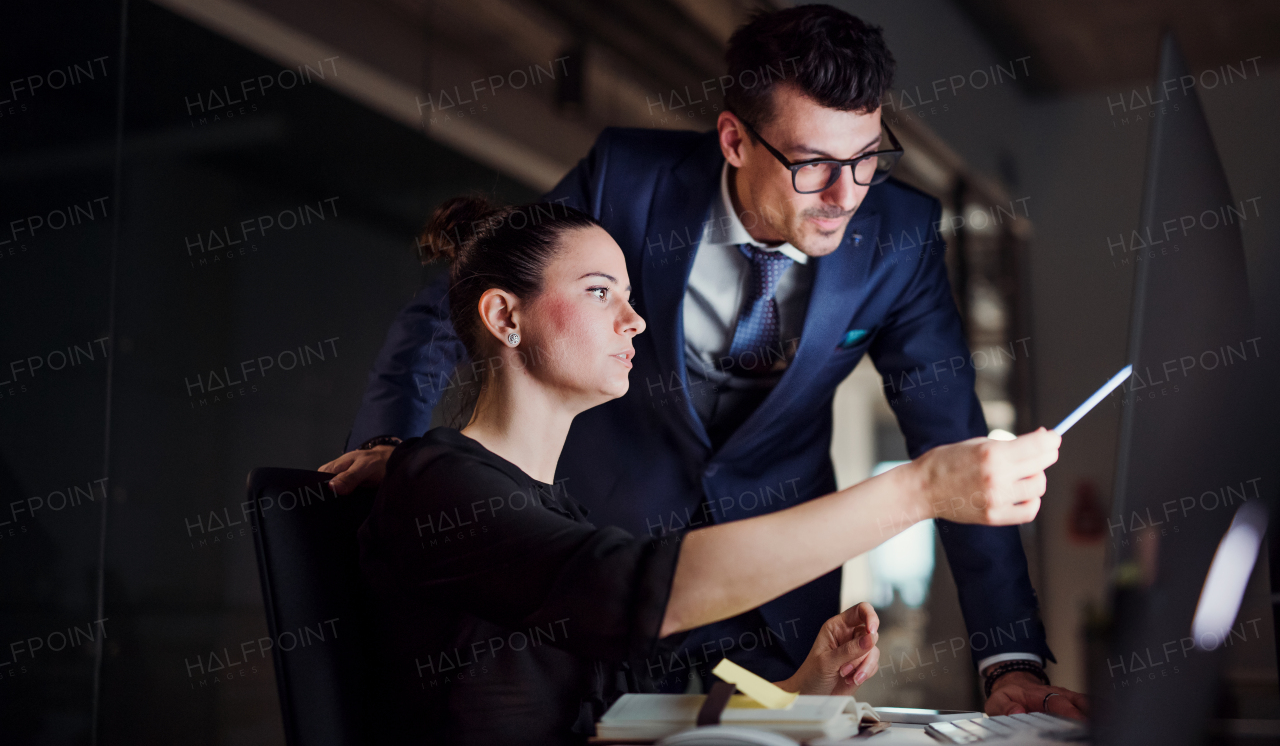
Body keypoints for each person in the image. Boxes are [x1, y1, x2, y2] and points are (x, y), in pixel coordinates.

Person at [329, 4, 1088, 718]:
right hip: (606, 553)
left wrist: (1008, 657)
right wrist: (395, 452)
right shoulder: (630, 179)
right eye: (812, 163)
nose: (845, 193)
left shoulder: (900, 232)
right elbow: (468, 292)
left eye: (866, 159)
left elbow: (953, 436)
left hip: (780, 581)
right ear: (733, 140)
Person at [358, 196, 1062, 745]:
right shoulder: (436, 481)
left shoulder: (553, 511)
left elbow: (626, 715)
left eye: (630, 294)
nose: (635, 320)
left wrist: (803, 687)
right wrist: (922, 487)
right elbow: (642, 587)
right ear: (505, 316)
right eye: (602, 291)